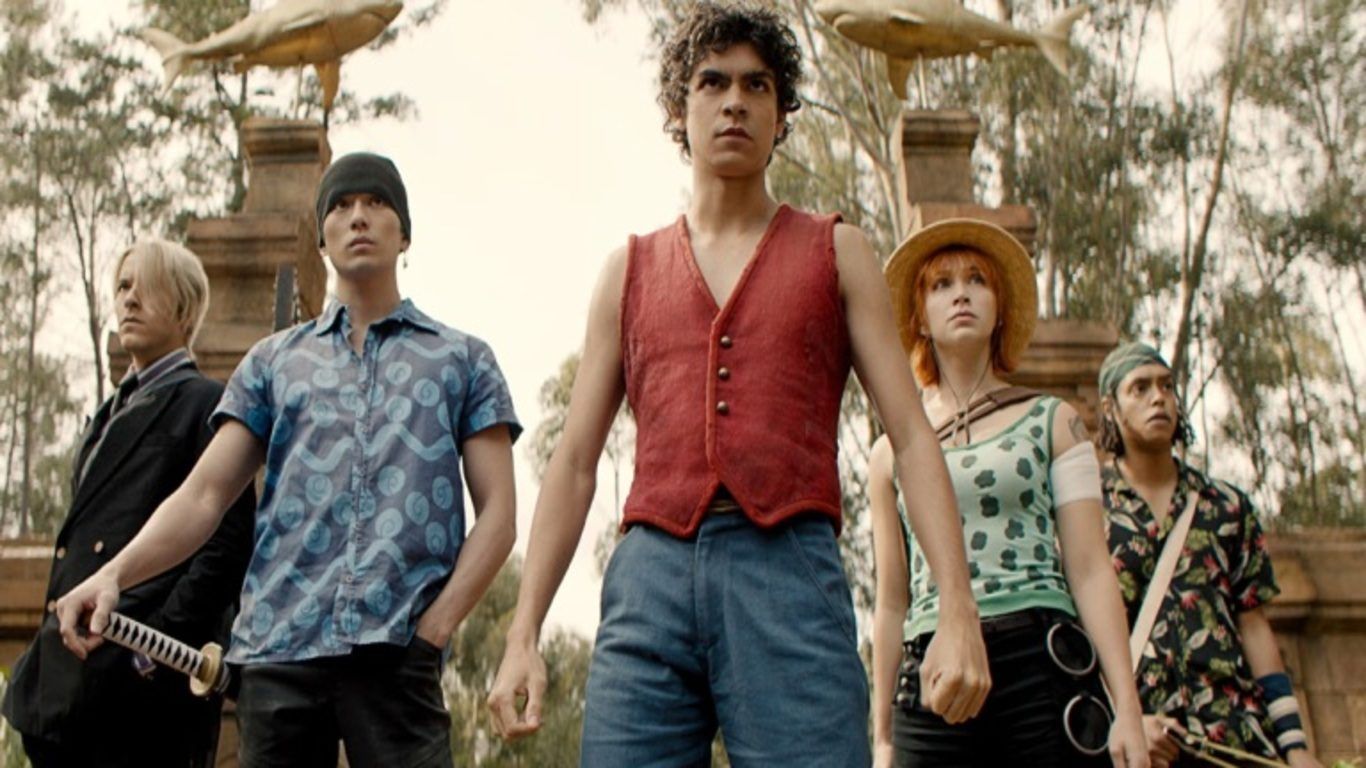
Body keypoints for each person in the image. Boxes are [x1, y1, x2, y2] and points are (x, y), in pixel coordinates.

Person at [486, 4, 990, 765]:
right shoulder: (628, 271)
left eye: (757, 86)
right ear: (678, 110)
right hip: (648, 584)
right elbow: (576, 461)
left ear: (781, 116)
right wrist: (524, 630)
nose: (734, 102)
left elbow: (913, 436)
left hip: (789, 575)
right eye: (712, 83)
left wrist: (957, 604)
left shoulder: (838, 251)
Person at [54, 152, 521, 768]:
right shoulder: (272, 363)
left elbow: (499, 516)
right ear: (322, 238)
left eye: (376, 203)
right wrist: (114, 574)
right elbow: (204, 496)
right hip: (277, 653)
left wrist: (435, 629)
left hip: (398, 651)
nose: (359, 217)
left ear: (405, 234)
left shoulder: (462, 360)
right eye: (341, 206)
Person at [870, 218, 1149, 767]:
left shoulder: (1056, 422)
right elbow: (891, 601)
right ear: (920, 316)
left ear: (999, 308)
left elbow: (1091, 569)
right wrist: (881, 738)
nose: (961, 294)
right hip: (933, 672)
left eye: (977, 280)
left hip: (1042, 665)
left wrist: (1128, 707)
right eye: (941, 285)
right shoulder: (890, 452)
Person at [1, 239, 255, 767]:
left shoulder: (207, 403)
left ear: (185, 309)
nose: (129, 300)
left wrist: (152, 653)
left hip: (144, 696)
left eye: (148, 287)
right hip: (67, 686)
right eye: (122, 287)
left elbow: (226, 546)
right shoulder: (106, 413)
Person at [1099, 342, 1322, 768]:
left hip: (1235, 736)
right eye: (1140, 388)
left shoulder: (1226, 506)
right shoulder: (1088, 511)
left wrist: (1295, 745)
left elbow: (1254, 626)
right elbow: (1079, 636)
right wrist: (1123, 720)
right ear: (1110, 408)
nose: (1158, 398)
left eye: (1166, 386)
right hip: (1140, 746)